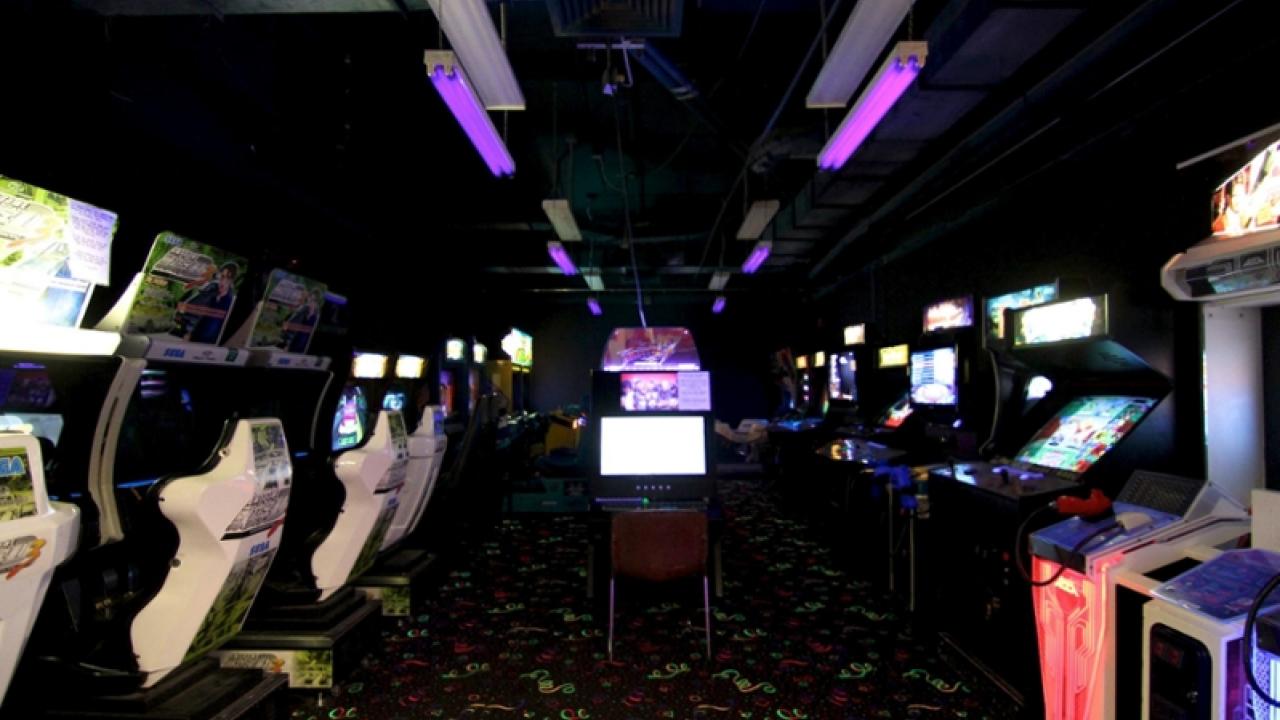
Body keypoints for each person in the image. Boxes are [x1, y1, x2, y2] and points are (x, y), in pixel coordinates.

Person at [175, 261, 238, 344]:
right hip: (193, 334)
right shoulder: (213, 288)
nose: (223, 281)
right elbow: (193, 303)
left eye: (228, 278)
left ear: (232, 279)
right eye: (222, 277)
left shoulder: (230, 300)